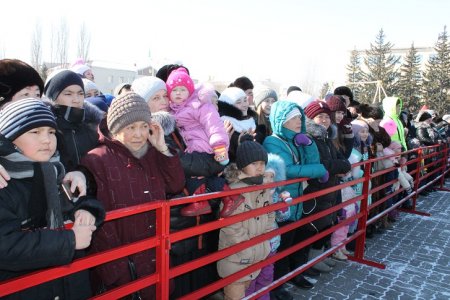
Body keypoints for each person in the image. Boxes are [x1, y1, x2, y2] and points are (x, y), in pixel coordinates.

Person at [80, 92, 185, 299]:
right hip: (123, 268)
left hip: (156, 256)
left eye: (144, 126)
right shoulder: (97, 160)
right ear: (115, 128)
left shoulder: (154, 153)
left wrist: (163, 148)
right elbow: (100, 220)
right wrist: (116, 268)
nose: (138, 134)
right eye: (130, 127)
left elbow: (176, 184)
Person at [0, 98, 105, 299]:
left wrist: (87, 210)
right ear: (10, 138)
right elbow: (5, 245)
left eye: (50, 132)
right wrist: (70, 240)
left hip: (69, 285)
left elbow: (82, 201)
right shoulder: (4, 183)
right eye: (35, 132)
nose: (47, 140)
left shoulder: (55, 172)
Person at [263, 101, 328, 299]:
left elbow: (312, 162)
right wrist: (318, 171)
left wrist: (308, 144)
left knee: (291, 243)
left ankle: (285, 279)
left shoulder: (297, 139)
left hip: (297, 200)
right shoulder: (272, 141)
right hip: (282, 202)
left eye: (299, 117)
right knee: (279, 247)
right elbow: (287, 170)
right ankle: (274, 287)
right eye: (293, 118)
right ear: (282, 120)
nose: (299, 121)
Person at [166, 67, 234, 216]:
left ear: (190, 91)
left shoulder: (199, 105)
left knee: (192, 173)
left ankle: (199, 202)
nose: (178, 93)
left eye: (183, 89)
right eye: (174, 90)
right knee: (204, 175)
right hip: (193, 144)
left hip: (205, 145)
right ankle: (230, 196)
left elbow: (213, 125)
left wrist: (219, 146)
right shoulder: (174, 110)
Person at [218, 141, 274, 300]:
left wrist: (265, 239)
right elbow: (231, 227)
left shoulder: (263, 186)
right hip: (236, 259)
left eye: (263, 163)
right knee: (234, 296)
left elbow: (269, 213)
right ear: (242, 165)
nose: (259, 167)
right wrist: (248, 248)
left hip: (254, 256)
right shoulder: (235, 190)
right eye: (254, 163)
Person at [303, 100, 351, 272]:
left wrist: (338, 166)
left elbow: (343, 160)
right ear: (309, 118)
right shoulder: (310, 138)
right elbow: (322, 164)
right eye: (319, 116)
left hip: (329, 188)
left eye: (326, 116)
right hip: (316, 190)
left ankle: (319, 256)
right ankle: (309, 262)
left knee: (327, 222)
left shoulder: (327, 137)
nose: (324, 120)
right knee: (314, 226)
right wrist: (337, 166)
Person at [44, 70, 104, 173]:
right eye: (68, 94)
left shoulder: (94, 126)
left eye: (80, 94)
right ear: (53, 97)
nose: (76, 99)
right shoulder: (47, 129)